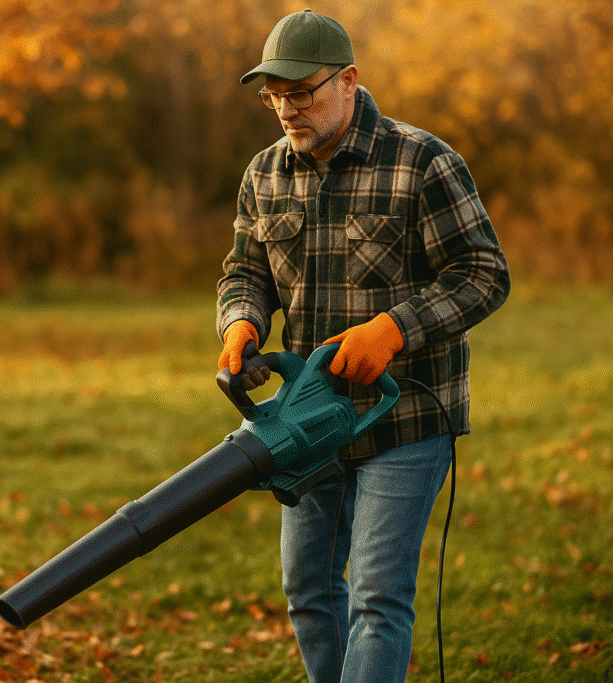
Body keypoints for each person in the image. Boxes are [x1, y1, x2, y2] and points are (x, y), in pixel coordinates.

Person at [216, 9, 511, 683]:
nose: (286, 108)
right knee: (309, 594)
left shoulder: (424, 163)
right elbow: (245, 270)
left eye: (302, 92)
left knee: (378, 599)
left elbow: (485, 274)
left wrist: (395, 328)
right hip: (306, 423)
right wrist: (240, 322)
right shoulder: (264, 174)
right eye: (274, 96)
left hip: (405, 414)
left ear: (348, 80)